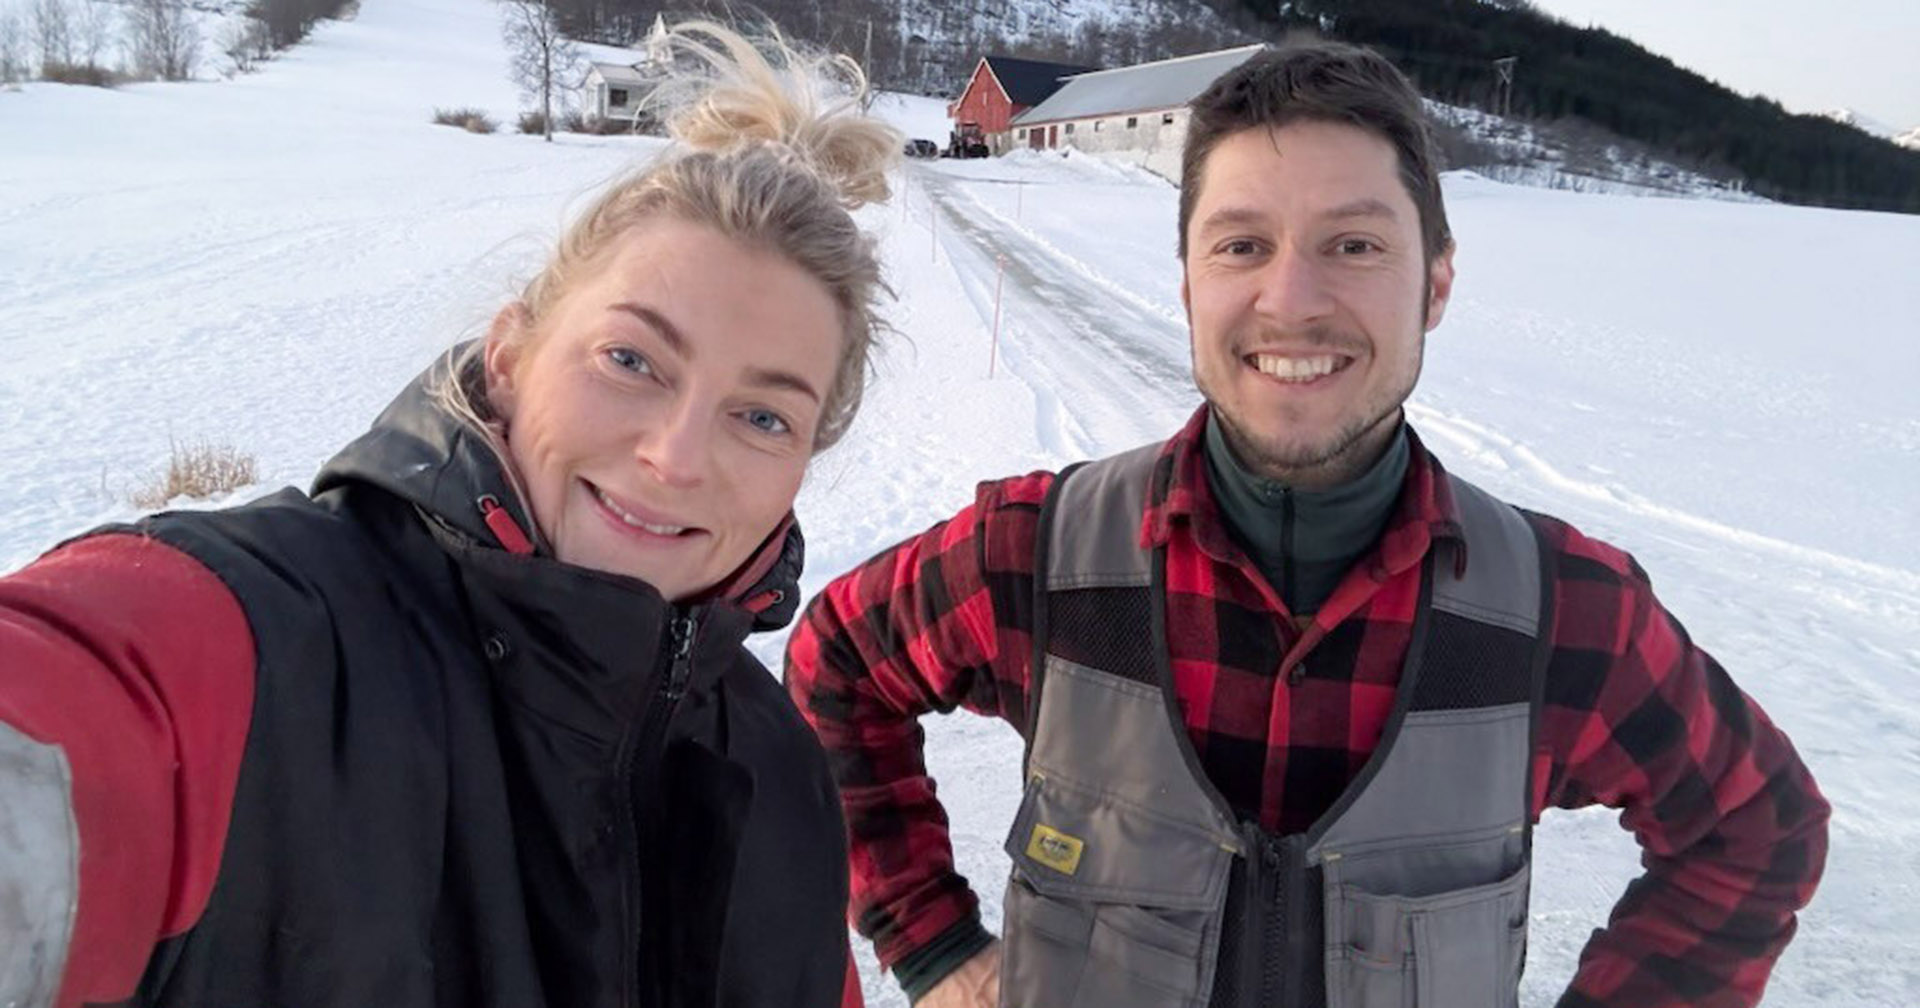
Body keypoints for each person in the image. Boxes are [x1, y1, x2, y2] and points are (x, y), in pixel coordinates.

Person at [783, 41, 1828, 1008]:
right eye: (1243, 244)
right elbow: (833, 667)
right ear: (1189, 283)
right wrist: (933, 946)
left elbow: (1757, 830)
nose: (1292, 301)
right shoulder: (1034, 560)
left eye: (1355, 243)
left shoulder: (1565, 616)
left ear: (1437, 285)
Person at [0, 22, 897, 1008]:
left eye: (762, 416)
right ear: (511, 354)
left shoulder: (781, 784)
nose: (675, 459)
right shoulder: (252, 647)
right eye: (632, 360)